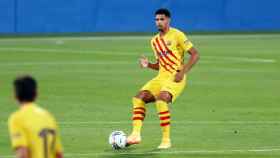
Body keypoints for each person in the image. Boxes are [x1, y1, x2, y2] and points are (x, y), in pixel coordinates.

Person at [127, 8, 200, 149]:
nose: (159, 22)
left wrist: (183, 72)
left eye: (162, 19)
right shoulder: (154, 41)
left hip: (175, 77)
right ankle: (135, 134)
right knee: (138, 97)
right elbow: (161, 65)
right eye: (156, 20)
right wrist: (148, 65)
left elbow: (195, 54)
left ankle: (166, 140)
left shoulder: (177, 34)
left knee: (161, 100)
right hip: (161, 77)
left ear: (168, 20)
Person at [8, 75, 63, 158]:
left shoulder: (17, 118)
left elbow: (23, 154)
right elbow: (58, 154)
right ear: (36, 94)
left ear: (15, 96)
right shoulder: (48, 116)